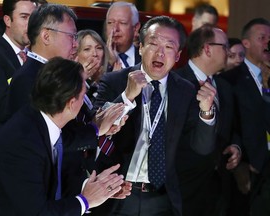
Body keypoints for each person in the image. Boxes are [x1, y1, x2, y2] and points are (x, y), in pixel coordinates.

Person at [93, 15, 217, 216]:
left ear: (177, 56)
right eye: (153, 43)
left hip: (162, 198)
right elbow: (95, 129)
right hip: (116, 193)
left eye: (169, 47)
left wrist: (206, 111)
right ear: (140, 47)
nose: (160, 52)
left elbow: (202, 148)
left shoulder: (186, 90)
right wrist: (127, 96)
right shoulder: (115, 81)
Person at [0, 57, 131, 216]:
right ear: (71, 103)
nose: (84, 102)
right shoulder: (24, 144)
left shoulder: (40, 121)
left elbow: (49, 179)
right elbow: (38, 212)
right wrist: (85, 200)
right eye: (83, 94)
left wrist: (94, 188)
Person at [176, 25, 241, 216]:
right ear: (207, 49)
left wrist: (236, 146)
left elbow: (233, 127)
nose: (228, 52)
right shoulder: (176, 82)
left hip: (219, 188)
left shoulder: (224, 86)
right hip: (184, 189)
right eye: (225, 46)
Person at [221, 18, 270, 216]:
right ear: (246, 43)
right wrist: (239, 164)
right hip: (248, 170)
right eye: (263, 38)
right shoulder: (229, 80)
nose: (268, 42)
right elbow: (229, 125)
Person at [0, 0, 37, 146]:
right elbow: (2, 109)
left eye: (34, 18)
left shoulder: (32, 58)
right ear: (8, 20)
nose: (31, 24)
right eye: (24, 17)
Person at [105, 1, 141, 69]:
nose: (115, 29)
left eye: (122, 23)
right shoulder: (98, 58)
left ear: (136, 28)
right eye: (110, 23)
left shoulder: (146, 57)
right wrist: (111, 64)